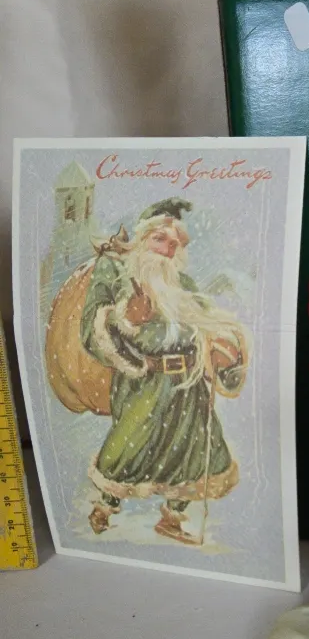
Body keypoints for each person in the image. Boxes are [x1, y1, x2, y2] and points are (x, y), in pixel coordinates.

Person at [80, 198, 248, 543]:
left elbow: (208, 323)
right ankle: (104, 506)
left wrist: (224, 352)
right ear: (142, 239)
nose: (167, 250)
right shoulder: (117, 274)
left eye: (175, 244)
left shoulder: (182, 284)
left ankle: (171, 518)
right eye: (160, 239)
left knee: (193, 449)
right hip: (145, 382)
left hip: (187, 384)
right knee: (127, 447)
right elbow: (91, 332)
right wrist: (125, 317)